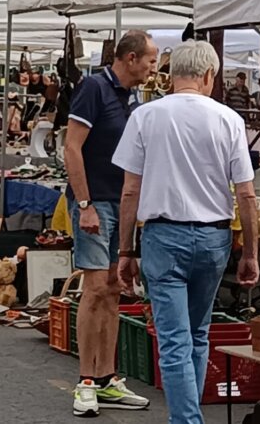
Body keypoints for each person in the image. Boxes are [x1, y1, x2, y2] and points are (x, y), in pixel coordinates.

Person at [114, 40, 260, 424]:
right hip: (214, 237)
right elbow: (246, 193)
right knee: (197, 334)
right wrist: (251, 253)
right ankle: (188, 416)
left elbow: (130, 190)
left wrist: (125, 250)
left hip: (164, 236)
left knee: (175, 340)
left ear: (172, 72)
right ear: (209, 75)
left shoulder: (146, 116)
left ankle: (187, 420)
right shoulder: (229, 119)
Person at [65, 30, 158, 417]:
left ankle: (106, 377)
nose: (154, 67)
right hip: (96, 203)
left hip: (121, 205)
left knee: (115, 287)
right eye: (151, 59)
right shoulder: (93, 88)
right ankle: (85, 381)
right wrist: (84, 204)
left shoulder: (133, 96)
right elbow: (71, 147)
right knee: (95, 288)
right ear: (131, 58)